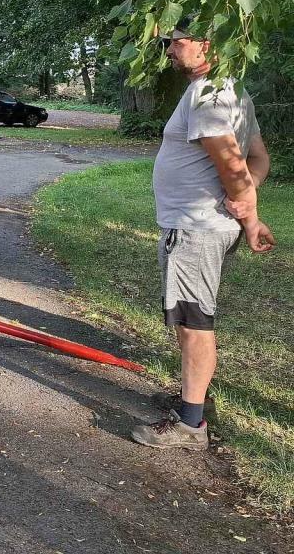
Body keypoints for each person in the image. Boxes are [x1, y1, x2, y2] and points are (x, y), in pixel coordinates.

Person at [131, 23, 274, 450]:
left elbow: (234, 166)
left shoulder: (210, 94)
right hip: (202, 226)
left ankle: (191, 423)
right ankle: (192, 396)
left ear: (206, 44)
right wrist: (247, 204)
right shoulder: (233, 91)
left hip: (195, 229)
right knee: (188, 317)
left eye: (176, 42)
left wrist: (249, 214)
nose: (169, 51)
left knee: (194, 321)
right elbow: (258, 160)